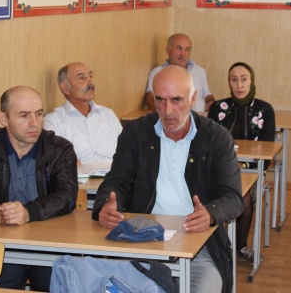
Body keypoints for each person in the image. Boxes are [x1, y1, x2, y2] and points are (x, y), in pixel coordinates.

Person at [93, 65, 243, 293]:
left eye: (176, 100)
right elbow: (116, 181)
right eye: (160, 100)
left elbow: (232, 198)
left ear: (193, 98)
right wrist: (105, 205)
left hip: (198, 244)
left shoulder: (216, 137)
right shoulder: (135, 133)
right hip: (142, 239)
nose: (168, 110)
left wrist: (210, 213)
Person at [0, 85, 78, 291]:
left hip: (50, 245)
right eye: (24, 115)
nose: (34, 123)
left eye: (39, 114)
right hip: (1, 245)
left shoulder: (59, 149)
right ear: (4, 118)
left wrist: (30, 212)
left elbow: (68, 196)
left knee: (58, 285)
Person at [207, 62, 276, 263]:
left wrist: (243, 166)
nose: (239, 85)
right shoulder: (218, 108)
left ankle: (240, 246)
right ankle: (215, 245)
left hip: (252, 171)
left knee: (243, 196)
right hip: (221, 169)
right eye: (234, 79)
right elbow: (209, 145)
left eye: (244, 79)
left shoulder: (264, 110)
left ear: (251, 81)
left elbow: (267, 150)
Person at [44, 62, 122, 171]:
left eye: (90, 76)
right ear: (65, 87)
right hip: (81, 179)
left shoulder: (107, 114)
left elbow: (126, 149)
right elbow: (55, 160)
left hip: (115, 175)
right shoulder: (53, 121)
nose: (91, 82)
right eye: (82, 78)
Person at [145, 33, 215, 113]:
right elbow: (150, 98)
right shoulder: (157, 73)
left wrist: (210, 102)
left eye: (187, 50)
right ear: (168, 50)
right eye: (179, 48)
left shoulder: (199, 71)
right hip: (170, 118)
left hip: (200, 117)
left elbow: (207, 95)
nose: (183, 54)